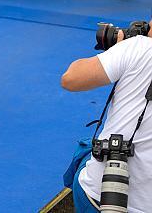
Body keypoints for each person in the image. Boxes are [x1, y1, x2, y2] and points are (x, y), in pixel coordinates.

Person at [61, 27, 152, 212]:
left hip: (101, 197)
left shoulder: (140, 48)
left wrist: (120, 48)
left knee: (88, 148)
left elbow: (70, 79)